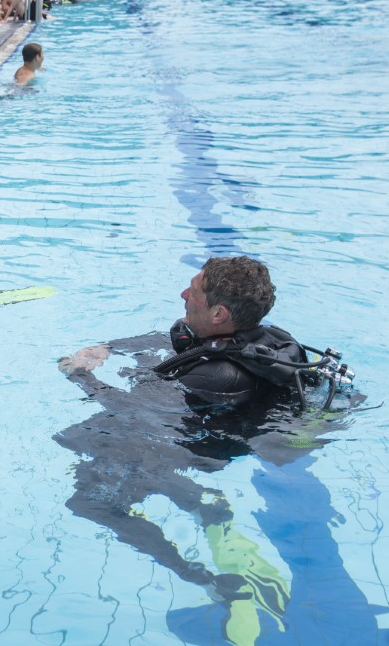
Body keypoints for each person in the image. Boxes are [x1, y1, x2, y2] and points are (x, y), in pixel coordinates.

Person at [55, 257, 363, 617]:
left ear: (218, 314)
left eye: (195, 291)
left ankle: (201, 577)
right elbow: (174, 342)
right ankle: (200, 502)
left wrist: (79, 376)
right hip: (202, 429)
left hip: (191, 443)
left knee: (89, 502)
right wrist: (106, 346)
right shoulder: (262, 337)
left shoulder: (217, 376)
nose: (184, 294)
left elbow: (131, 409)